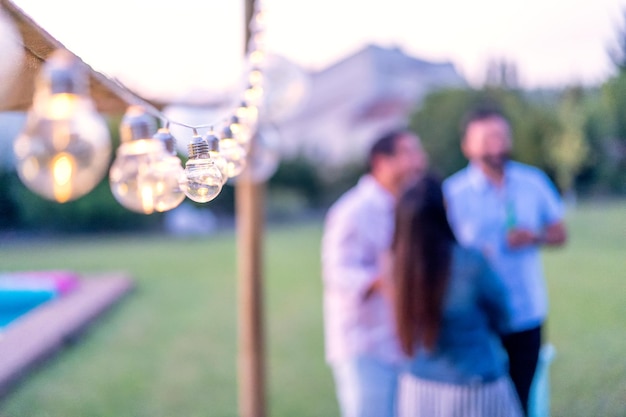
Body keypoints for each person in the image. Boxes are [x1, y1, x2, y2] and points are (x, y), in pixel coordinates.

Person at [443, 107, 567, 415]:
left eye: (501, 136)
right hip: (477, 318)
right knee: (478, 402)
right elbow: (439, 252)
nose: (496, 145)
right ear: (467, 146)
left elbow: (560, 233)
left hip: (526, 311)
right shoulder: (451, 194)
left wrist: (534, 236)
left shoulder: (532, 182)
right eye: (486, 139)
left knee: (522, 397)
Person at [391, 175, 524, 417]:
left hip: (417, 388)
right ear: (444, 209)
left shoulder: (398, 269)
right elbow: (504, 317)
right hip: (475, 388)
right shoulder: (471, 263)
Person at [321, 129, 427, 417]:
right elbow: (337, 273)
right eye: (410, 153)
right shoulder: (352, 211)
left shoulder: (410, 206)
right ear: (382, 162)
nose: (420, 161)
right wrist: (388, 279)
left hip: (406, 339)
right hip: (366, 343)